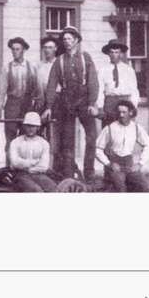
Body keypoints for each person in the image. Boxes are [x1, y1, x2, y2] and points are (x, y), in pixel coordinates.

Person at [43, 26, 100, 183]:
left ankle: (89, 173)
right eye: (65, 39)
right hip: (67, 101)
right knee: (67, 139)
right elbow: (51, 84)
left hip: (85, 101)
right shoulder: (59, 60)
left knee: (91, 137)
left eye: (70, 39)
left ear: (76, 40)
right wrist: (48, 106)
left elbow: (93, 81)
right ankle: (69, 173)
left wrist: (92, 102)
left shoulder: (85, 58)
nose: (67, 42)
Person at [95, 99, 149, 192]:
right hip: (115, 167)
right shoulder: (110, 128)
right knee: (120, 187)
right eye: (119, 112)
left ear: (130, 112)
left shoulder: (136, 128)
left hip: (129, 166)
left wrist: (140, 163)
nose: (121, 115)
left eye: (124, 112)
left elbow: (148, 145)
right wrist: (109, 164)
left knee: (146, 188)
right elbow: (97, 149)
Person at [0, 37, 37, 160]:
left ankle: (24, 166)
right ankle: (9, 166)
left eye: (18, 49)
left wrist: (38, 104)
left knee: (26, 135)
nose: (15, 52)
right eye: (13, 49)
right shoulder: (7, 68)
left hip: (27, 104)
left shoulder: (31, 67)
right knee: (10, 136)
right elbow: (2, 90)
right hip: (12, 104)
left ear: (23, 50)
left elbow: (38, 87)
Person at [8, 112, 58, 192]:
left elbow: (43, 166)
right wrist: (34, 162)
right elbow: (15, 162)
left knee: (53, 188)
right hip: (20, 175)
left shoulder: (44, 143)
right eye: (28, 126)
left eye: (33, 126)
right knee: (35, 190)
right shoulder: (15, 142)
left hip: (38, 175)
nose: (30, 128)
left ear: (38, 127)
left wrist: (26, 167)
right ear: (24, 126)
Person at [96, 39, 140, 126]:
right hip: (109, 103)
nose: (114, 55)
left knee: (125, 129)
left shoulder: (128, 69)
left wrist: (133, 107)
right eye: (112, 52)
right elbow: (100, 90)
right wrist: (100, 107)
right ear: (108, 54)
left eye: (116, 52)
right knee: (109, 128)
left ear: (121, 54)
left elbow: (134, 90)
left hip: (125, 102)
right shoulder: (103, 71)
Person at [33, 35, 60, 114]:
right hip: (41, 100)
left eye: (50, 47)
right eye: (45, 47)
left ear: (55, 48)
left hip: (56, 100)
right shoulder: (38, 65)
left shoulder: (59, 64)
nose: (47, 50)